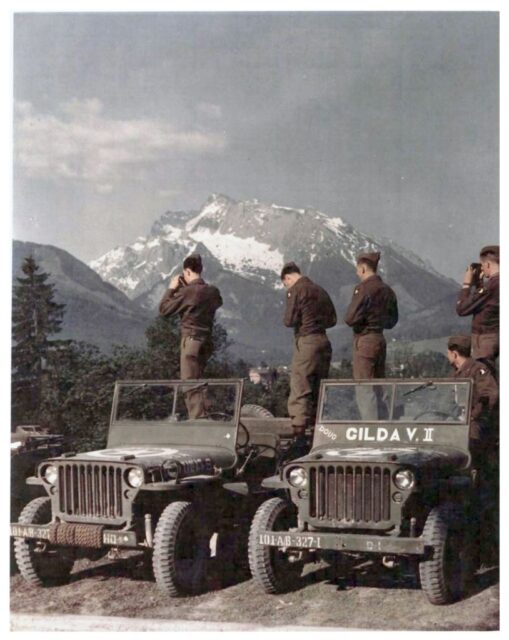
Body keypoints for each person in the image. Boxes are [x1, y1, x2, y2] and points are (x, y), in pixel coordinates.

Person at [281, 262, 337, 458]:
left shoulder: (296, 290)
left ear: (287, 278)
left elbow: (289, 320)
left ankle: (299, 435)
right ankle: (317, 429)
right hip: (324, 341)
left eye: (285, 284)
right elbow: (332, 320)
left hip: (306, 341)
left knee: (300, 385)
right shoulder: (320, 290)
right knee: (319, 387)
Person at [159, 254, 223, 418]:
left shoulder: (187, 292)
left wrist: (172, 289)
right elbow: (217, 302)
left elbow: (164, 310)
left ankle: (197, 418)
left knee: (189, 382)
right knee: (201, 379)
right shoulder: (212, 291)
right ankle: (208, 413)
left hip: (191, 340)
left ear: (187, 271)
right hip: (207, 340)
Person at [344, 251, 398, 420]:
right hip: (379, 339)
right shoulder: (388, 291)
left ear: (363, 268)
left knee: (364, 388)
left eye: (357, 269)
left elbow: (350, 318)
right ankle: (382, 424)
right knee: (379, 386)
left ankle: (370, 427)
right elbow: (392, 321)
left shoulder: (363, 289)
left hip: (365, 339)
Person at [447, 334, 499, 463]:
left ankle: (470, 472)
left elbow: (490, 395)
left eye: (448, 352)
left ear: (454, 354)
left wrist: (473, 415)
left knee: (470, 436)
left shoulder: (478, 370)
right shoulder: (453, 374)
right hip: (456, 420)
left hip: (476, 422)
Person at [456, 245, 499, 369]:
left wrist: (466, 284)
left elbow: (462, 309)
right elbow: (486, 302)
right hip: (496, 336)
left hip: (485, 340)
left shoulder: (491, 286)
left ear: (488, 265)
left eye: (483, 265)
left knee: (484, 378)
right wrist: (480, 284)